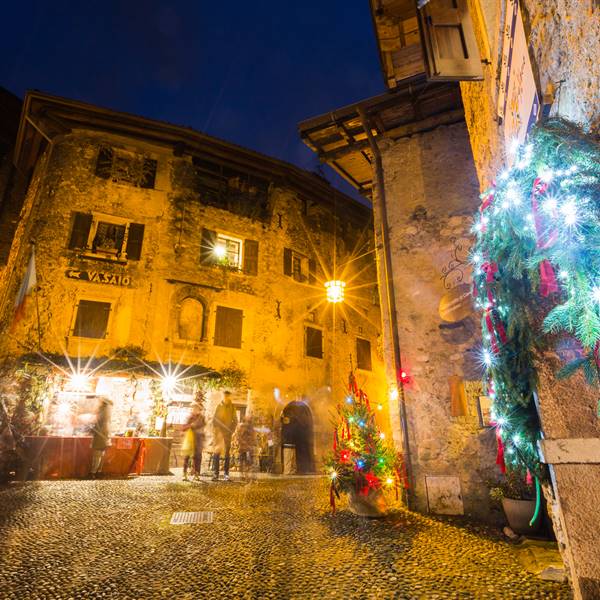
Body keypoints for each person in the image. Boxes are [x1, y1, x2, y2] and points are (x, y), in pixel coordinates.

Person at [212, 391, 237, 481]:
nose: (226, 398)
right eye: (224, 396)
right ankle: (215, 474)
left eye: (227, 396)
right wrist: (216, 431)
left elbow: (235, 420)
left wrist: (231, 431)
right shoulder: (219, 406)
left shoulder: (232, 407)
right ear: (222, 397)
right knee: (217, 454)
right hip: (219, 434)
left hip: (227, 434)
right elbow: (214, 420)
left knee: (227, 454)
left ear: (229, 397)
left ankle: (226, 474)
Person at [181, 406, 206, 481]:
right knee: (186, 457)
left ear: (199, 410)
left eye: (196, 408)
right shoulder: (190, 417)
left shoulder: (202, 418)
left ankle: (197, 474)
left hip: (198, 440)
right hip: (190, 440)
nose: (194, 410)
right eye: (193, 408)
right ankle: (184, 474)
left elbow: (203, 427)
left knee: (197, 457)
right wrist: (190, 426)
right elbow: (183, 428)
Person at [90, 397, 112, 478]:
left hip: (101, 436)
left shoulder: (103, 412)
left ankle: (94, 472)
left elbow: (96, 423)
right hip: (104, 435)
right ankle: (97, 471)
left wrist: (92, 429)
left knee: (98, 455)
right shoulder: (107, 411)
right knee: (100, 455)